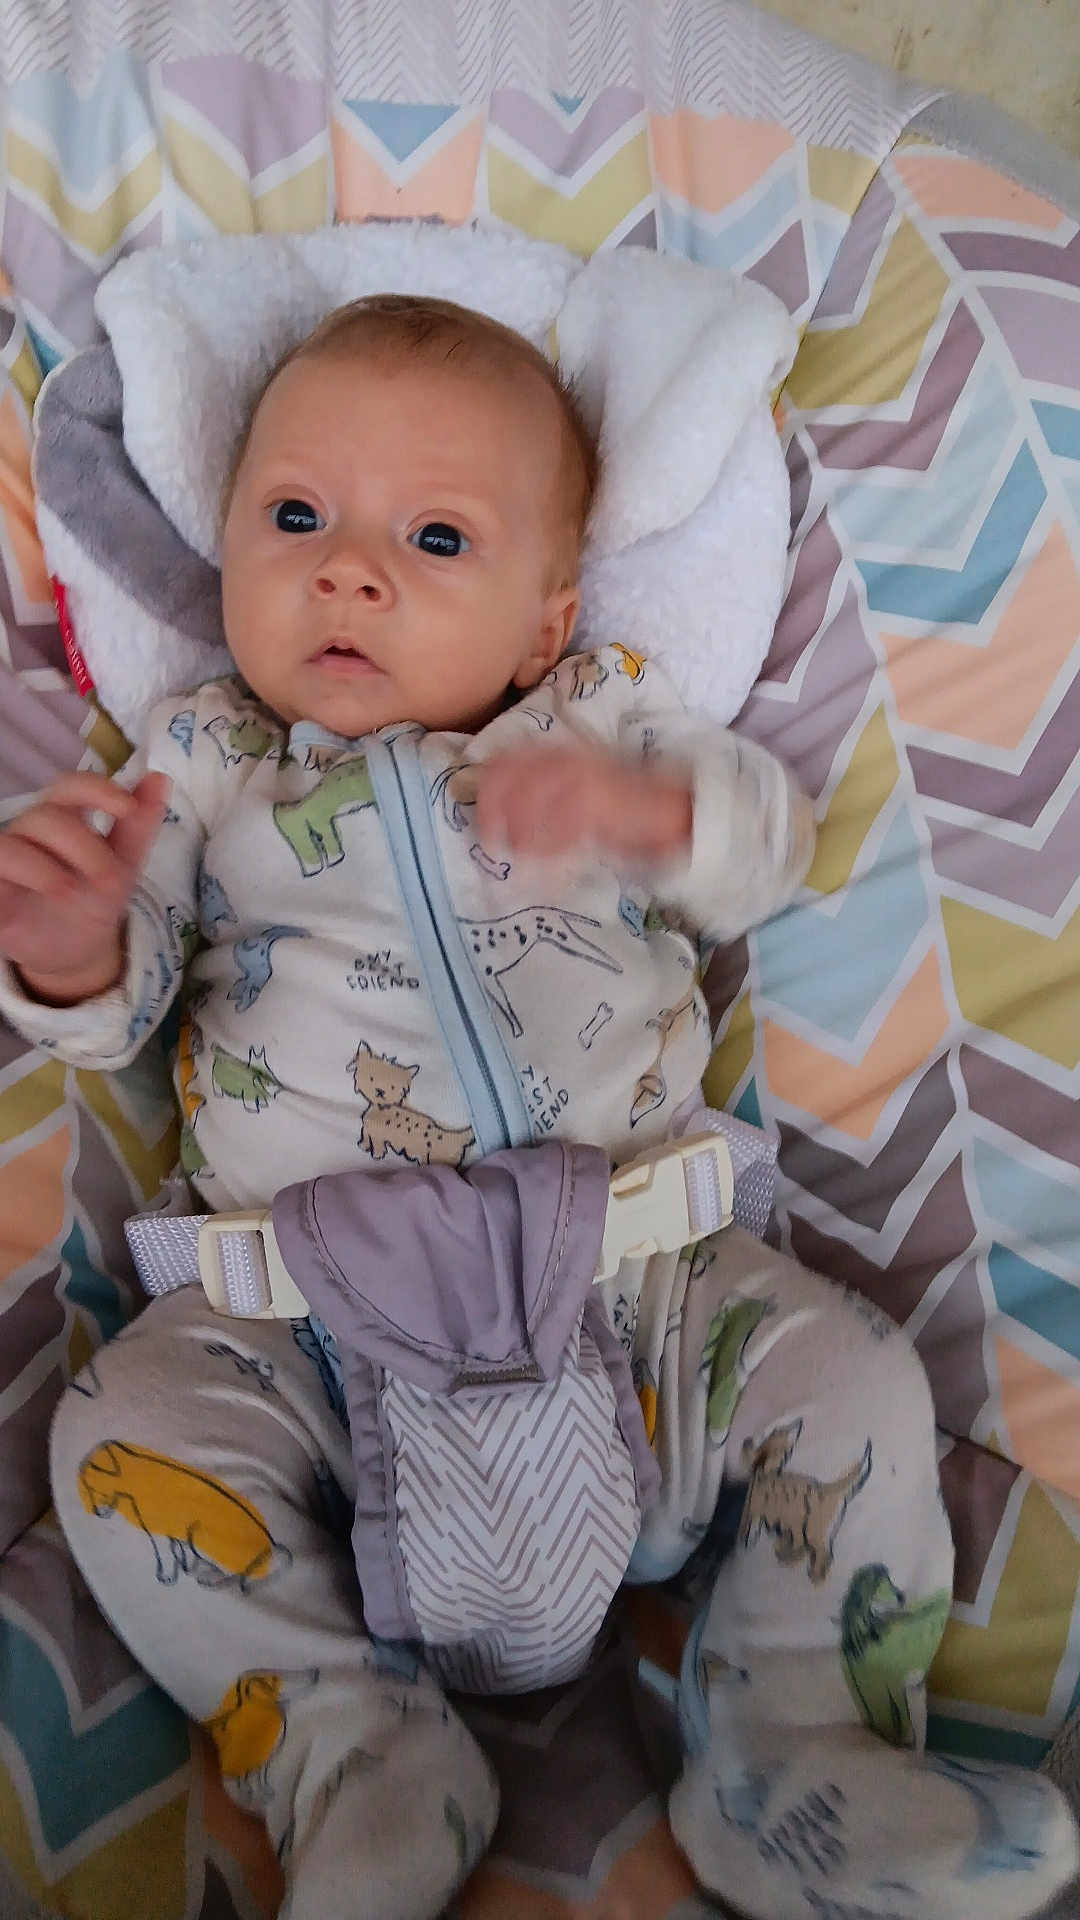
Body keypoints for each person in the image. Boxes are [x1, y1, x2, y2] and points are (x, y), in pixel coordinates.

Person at [0, 295, 1073, 1920]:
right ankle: (355, 1759)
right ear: (222, 545)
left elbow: (761, 847)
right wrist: (74, 946)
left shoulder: (597, 716)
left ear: (548, 613)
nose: (349, 570)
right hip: (311, 1321)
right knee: (117, 1443)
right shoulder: (206, 760)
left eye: (435, 536)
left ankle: (789, 1745)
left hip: (639, 1289)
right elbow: (129, 1000)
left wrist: (649, 809)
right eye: (295, 518)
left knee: (851, 1380)